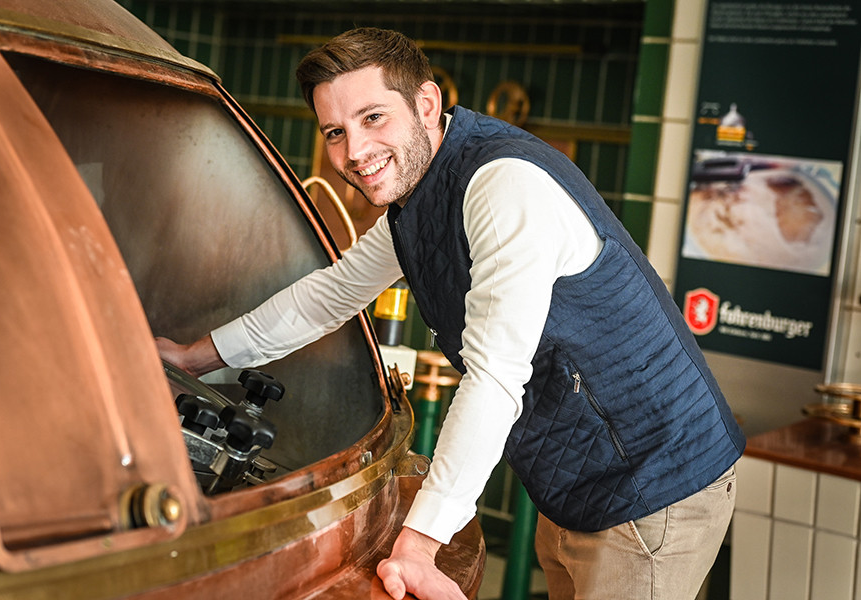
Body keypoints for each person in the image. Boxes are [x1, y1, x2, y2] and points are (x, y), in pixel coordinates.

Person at [157, 27, 746, 600]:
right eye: (335, 131)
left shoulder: (503, 186)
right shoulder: (421, 194)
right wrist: (191, 359)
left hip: (654, 484)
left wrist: (419, 545)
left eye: (373, 117)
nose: (354, 152)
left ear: (426, 103)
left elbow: (494, 378)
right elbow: (330, 294)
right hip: (581, 481)